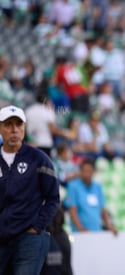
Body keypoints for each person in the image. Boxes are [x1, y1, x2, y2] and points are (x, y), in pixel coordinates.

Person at [0, 105, 60, 275]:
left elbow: (53, 198)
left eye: (19, 125)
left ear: (25, 128)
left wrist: (37, 226)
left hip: (30, 237)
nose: (14, 130)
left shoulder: (39, 158)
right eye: (8, 124)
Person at [64, 158, 118, 236]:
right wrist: (81, 229)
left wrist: (110, 226)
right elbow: (72, 211)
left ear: (94, 172)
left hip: (96, 231)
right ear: (80, 171)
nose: (86, 174)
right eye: (84, 171)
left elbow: (102, 210)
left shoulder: (97, 187)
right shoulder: (73, 186)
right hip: (80, 234)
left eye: (89, 171)